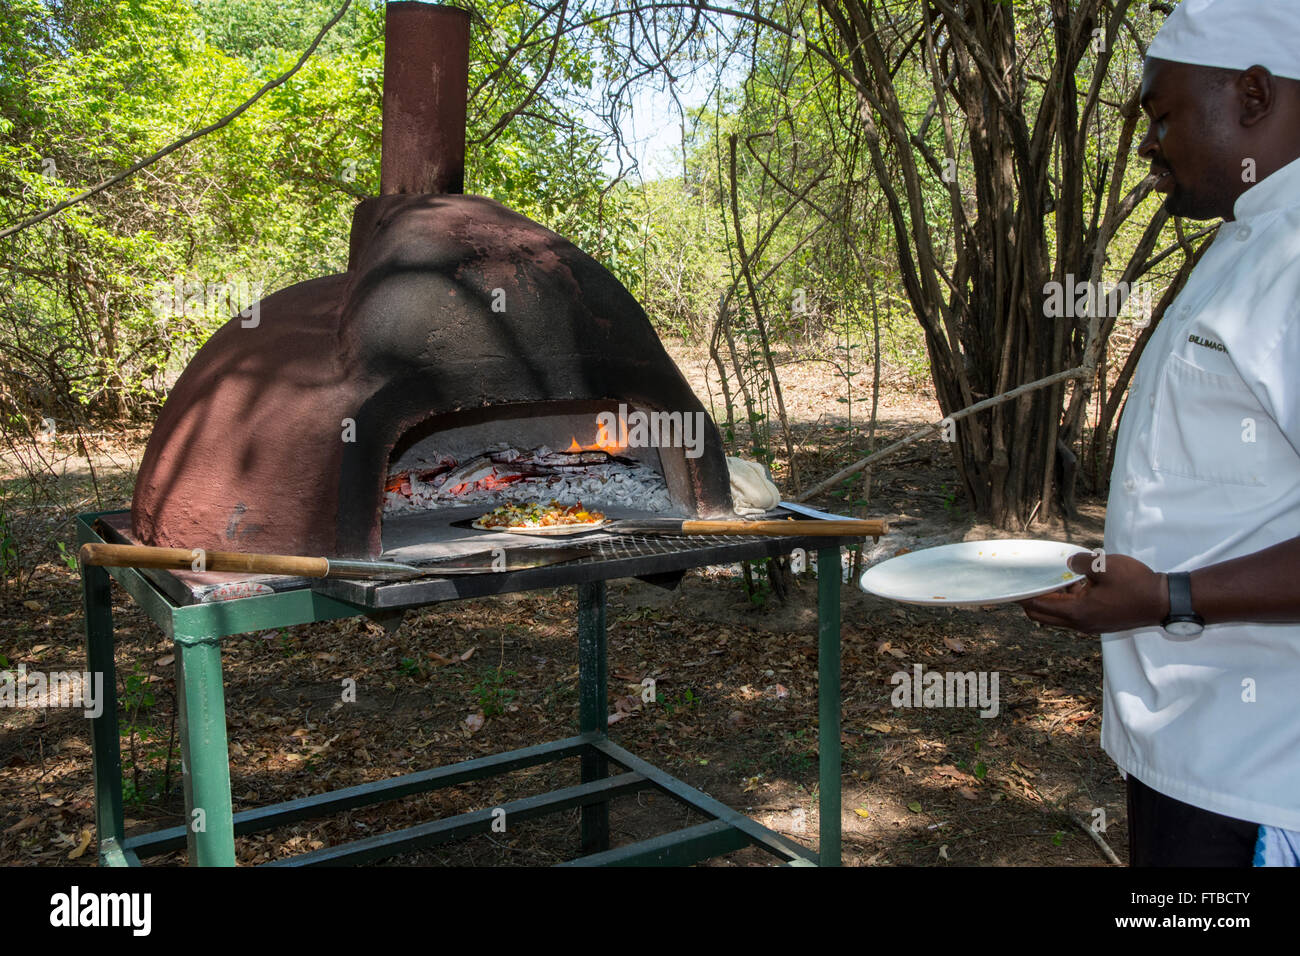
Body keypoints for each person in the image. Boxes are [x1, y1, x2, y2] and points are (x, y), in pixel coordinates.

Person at [1019, 0, 1300, 867]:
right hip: (1187, 751)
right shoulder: (1247, 239)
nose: (1148, 145)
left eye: (1163, 114)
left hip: (1256, 767)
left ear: (1252, 96)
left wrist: (1169, 597)